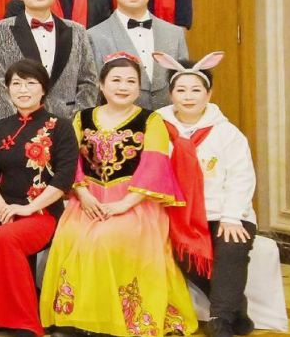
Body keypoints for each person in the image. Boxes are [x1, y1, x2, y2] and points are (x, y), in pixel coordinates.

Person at [36, 56, 205, 337]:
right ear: (102, 85)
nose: (123, 87)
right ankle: (78, 319)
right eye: (116, 80)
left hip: (136, 202)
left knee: (108, 239)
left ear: (139, 88)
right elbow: (69, 161)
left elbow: (154, 166)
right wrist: (83, 194)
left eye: (130, 81)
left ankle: (119, 319)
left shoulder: (150, 120)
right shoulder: (82, 118)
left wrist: (123, 205)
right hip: (87, 199)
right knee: (72, 238)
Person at [0, 60, 75, 335]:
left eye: (31, 83)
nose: (23, 90)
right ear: (8, 89)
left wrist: (29, 208)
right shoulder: (2, 127)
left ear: (43, 89)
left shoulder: (60, 127)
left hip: (42, 212)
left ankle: (21, 320)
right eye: (16, 84)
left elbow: (63, 179)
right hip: (2, 207)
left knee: (4, 238)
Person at [158, 56, 256, 337]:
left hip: (224, 212)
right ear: (171, 94)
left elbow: (241, 177)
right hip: (179, 214)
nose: (188, 96)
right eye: (181, 90)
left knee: (232, 246)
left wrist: (231, 216)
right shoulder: (159, 129)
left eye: (196, 90)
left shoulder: (227, 133)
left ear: (209, 94)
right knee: (182, 252)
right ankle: (236, 307)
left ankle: (220, 319)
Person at [0, 0, 99, 118]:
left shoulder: (77, 30)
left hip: (68, 121)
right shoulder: (0, 30)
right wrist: (15, 123)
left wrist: (76, 121)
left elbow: (89, 81)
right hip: (20, 123)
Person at [88, 0, 190, 110]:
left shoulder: (174, 33)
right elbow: (93, 91)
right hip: (118, 121)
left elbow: (184, 83)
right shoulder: (93, 36)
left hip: (169, 120)